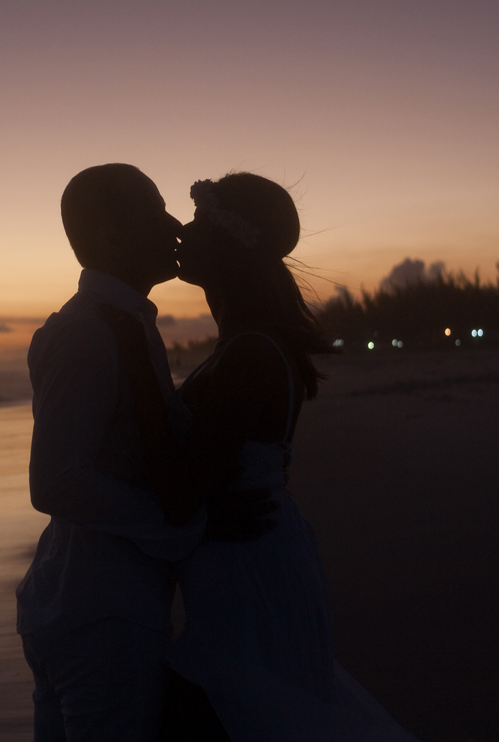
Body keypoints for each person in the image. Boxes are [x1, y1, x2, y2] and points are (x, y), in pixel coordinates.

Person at [151, 173, 420, 741]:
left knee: (235, 708)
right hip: (252, 557)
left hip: (246, 566)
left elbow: (179, 491)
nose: (181, 230)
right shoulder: (244, 345)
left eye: (199, 220)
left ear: (230, 244)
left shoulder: (249, 353)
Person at [17, 164, 276, 742]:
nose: (174, 226)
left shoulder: (121, 324)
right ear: (111, 235)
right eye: (156, 210)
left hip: (83, 599)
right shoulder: (91, 333)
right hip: (99, 611)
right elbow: (56, 480)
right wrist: (186, 526)